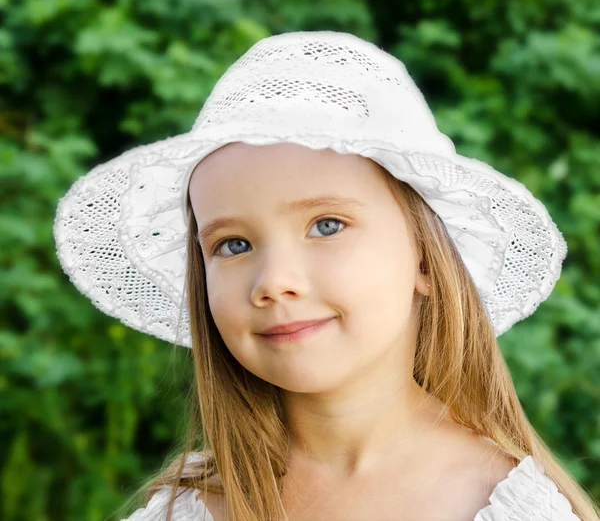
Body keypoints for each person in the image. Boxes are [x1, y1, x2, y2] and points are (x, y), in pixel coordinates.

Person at [53, 31, 599, 520]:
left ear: (428, 261)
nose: (273, 281)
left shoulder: (509, 508)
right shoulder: (188, 509)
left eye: (327, 225)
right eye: (233, 244)